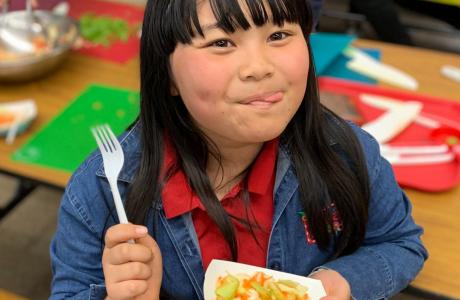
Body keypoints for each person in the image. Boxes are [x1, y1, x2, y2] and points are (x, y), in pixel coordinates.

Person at [50, 0, 428, 299]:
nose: (258, 67)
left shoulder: (346, 153)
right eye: (221, 42)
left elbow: (400, 242)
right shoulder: (105, 186)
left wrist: (343, 281)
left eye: (279, 35)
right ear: (166, 76)